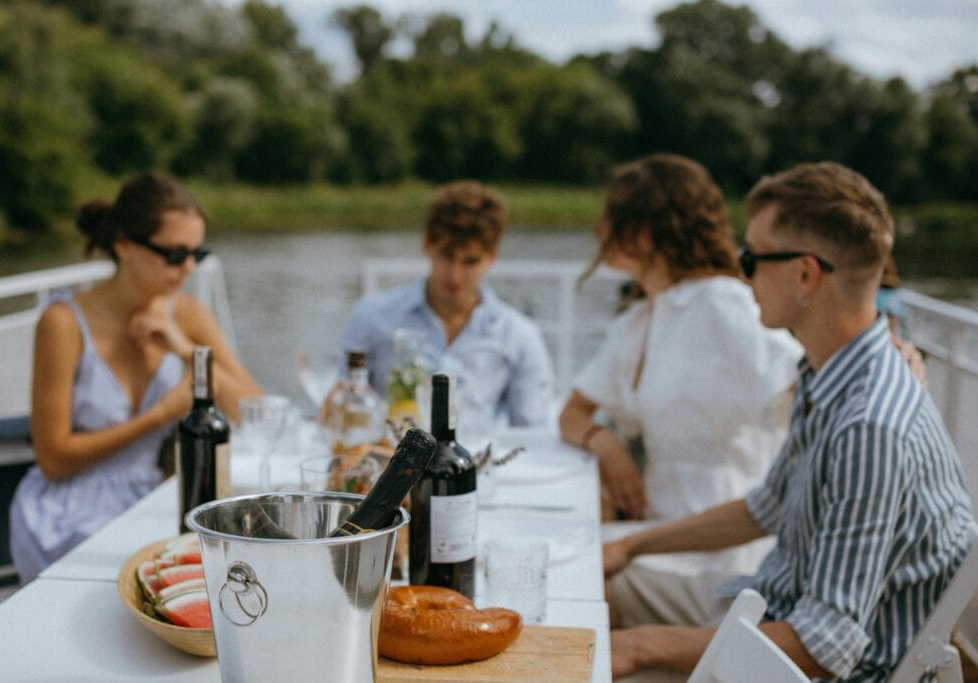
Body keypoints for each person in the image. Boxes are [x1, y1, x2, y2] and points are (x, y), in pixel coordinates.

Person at [605, 161, 976, 682]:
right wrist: (629, 545)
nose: (741, 271)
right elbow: (768, 507)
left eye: (752, 257)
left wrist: (647, 647)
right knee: (596, 588)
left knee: (599, 658)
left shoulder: (869, 427)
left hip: (796, 664)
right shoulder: (828, 376)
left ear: (805, 274)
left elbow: (821, 647)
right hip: (762, 601)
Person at [9, 172, 261, 583]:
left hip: (159, 495)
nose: (188, 268)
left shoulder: (189, 315)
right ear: (124, 244)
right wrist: (159, 415)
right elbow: (53, 460)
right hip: (72, 509)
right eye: (174, 254)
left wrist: (183, 349)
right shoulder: (63, 324)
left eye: (198, 254)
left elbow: (253, 410)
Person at [559, 154, 802, 548]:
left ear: (653, 229)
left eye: (617, 217)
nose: (600, 229)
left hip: (724, 542)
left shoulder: (724, 305)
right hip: (660, 530)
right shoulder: (641, 319)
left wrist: (879, 351)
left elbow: (807, 386)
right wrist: (603, 443)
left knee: (564, 570)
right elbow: (571, 412)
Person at [338, 180, 554, 428]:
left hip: (474, 464)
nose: (455, 275)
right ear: (426, 243)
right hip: (388, 462)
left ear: (491, 257)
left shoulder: (519, 336)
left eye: (470, 261)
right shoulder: (371, 316)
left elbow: (532, 432)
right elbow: (337, 409)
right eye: (447, 256)